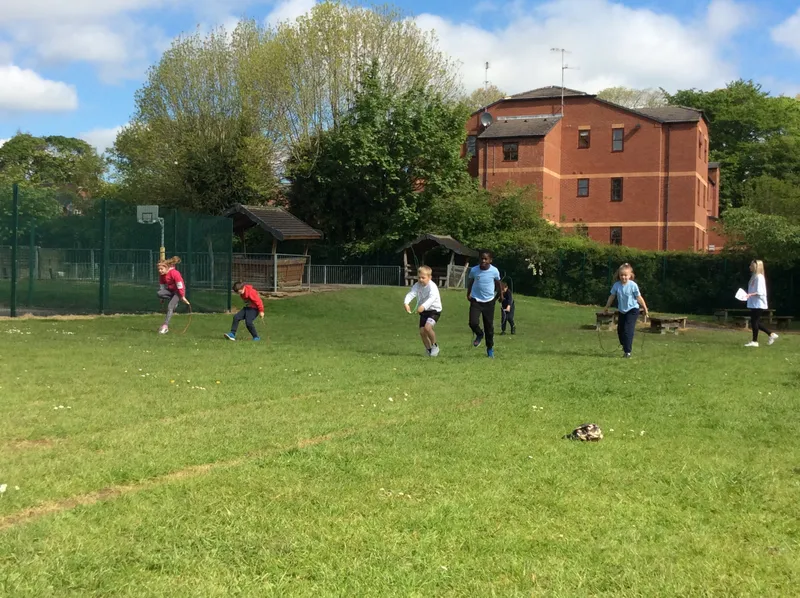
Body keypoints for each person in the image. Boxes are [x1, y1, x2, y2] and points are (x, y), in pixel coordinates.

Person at [604, 263, 648, 358]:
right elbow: (612, 296)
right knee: (620, 330)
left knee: (628, 330)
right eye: (621, 275)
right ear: (619, 275)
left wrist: (645, 308)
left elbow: (639, 297)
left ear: (630, 275)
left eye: (625, 275)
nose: (623, 277)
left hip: (632, 310)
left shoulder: (633, 285)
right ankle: (625, 345)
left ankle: (627, 352)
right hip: (622, 311)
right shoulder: (616, 285)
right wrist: (606, 307)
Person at [467, 249, 503, 358]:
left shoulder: (494, 271)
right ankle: (479, 334)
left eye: (486, 259)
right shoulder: (474, 270)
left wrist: (501, 295)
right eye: (481, 258)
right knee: (473, 322)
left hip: (489, 302)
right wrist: (468, 293)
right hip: (476, 300)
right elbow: (471, 281)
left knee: (489, 327)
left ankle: (490, 348)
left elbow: (498, 283)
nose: (483, 261)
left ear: (490, 260)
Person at [404, 266, 443, 357]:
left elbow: (432, 298)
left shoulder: (432, 287)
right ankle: (428, 350)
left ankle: (435, 346)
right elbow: (412, 293)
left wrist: (423, 306)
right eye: (419, 277)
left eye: (423, 278)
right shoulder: (417, 285)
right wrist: (406, 303)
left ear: (430, 277)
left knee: (427, 328)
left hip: (434, 310)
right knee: (422, 332)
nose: (420, 280)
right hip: (424, 311)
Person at [744, 259, 778, 347]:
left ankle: (755, 341)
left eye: (751, 265)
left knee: (754, 321)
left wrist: (750, 294)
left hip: (759, 303)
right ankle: (771, 334)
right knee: (755, 322)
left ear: (756, 266)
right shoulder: (754, 277)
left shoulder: (759, 277)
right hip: (754, 303)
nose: (750, 267)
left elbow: (760, 291)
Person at [156, 256, 190, 334]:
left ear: (167, 268)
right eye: (159, 269)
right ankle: (174, 300)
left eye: (161, 269)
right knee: (159, 293)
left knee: (170, 307)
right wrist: (162, 298)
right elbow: (162, 286)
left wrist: (182, 296)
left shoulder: (175, 273)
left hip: (178, 292)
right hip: (171, 291)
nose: (160, 271)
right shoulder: (162, 275)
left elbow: (180, 285)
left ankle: (165, 326)